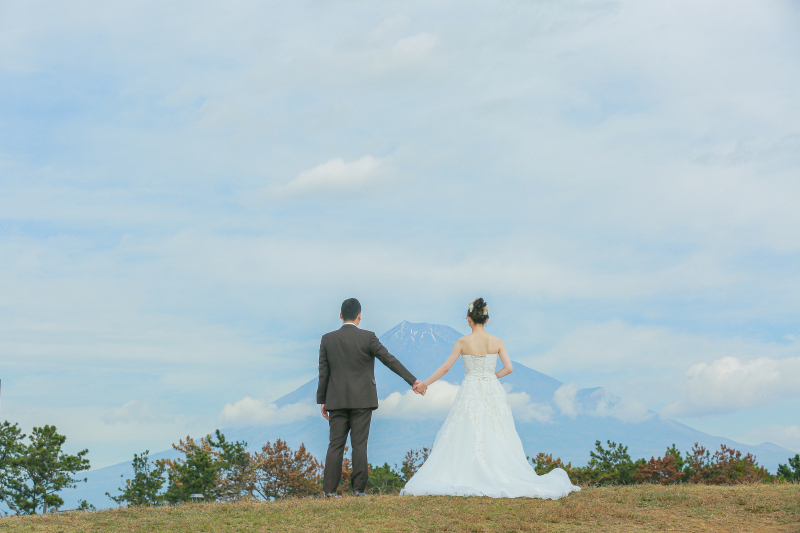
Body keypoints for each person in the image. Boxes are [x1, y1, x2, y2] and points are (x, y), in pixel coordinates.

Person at [401, 298, 580, 498]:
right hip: (491, 388)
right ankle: (499, 470)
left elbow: (445, 367)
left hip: (470, 388)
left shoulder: (462, 342)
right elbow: (509, 368)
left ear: (468, 319)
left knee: (467, 428)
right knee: (496, 429)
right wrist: (492, 376)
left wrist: (424, 384)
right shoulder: (497, 341)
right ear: (487, 319)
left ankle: (469, 471)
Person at [317, 298, 425, 496]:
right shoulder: (368, 337)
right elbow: (389, 359)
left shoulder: (327, 339)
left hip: (336, 400)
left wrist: (323, 400)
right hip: (363, 400)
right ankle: (358, 490)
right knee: (359, 445)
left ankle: (329, 492)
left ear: (340, 316)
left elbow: (323, 372)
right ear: (359, 316)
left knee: (335, 445)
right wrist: (413, 381)